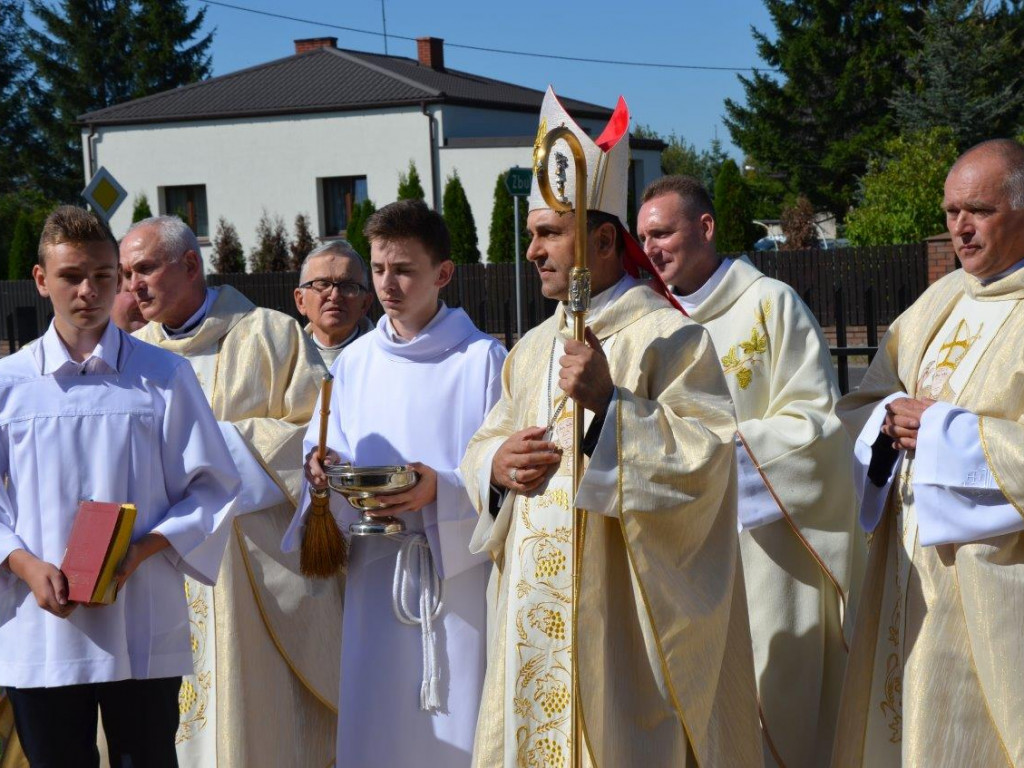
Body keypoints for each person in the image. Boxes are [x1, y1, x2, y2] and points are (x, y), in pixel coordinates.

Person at [460, 88, 763, 768]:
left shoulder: (666, 337)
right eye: (532, 234)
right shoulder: (532, 348)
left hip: (621, 620)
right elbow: (484, 445)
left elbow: (709, 459)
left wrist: (610, 407)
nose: (533, 251)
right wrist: (495, 466)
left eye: (550, 234)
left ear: (602, 239)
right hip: (530, 616)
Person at [637, 175, 864, 768]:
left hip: (760, 546)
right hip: (677, 552)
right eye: (644, 237)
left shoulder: (770, 304)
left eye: (662, 232)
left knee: (764, 708)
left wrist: (712, 460)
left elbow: (819, 424)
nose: (652, 249)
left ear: (705, 228)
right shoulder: (646, 322)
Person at [0, 206, 240, 766]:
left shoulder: (163, 376)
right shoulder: (10, 386)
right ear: (41, 280)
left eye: (105, 275)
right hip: (43, 623)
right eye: (71, 276)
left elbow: (212, 486)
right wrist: (23, 563)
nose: (90, 290)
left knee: (147, 758)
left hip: (140, 615)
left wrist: (140, 550)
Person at [285, 198, 507, 767]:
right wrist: (321, 466)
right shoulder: (356, 362)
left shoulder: (483, 360)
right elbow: (324, 441)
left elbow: (505, 475)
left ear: (444, 274)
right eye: (380, 269)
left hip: (452, 578)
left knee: (454, 718)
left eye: (404, 269)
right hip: (374, 570)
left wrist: (445, 489)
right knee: (377, 722)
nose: (388, 284)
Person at [121, 217, 341, 768]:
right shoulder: (129, 354)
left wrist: (206, 452)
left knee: (252, 725)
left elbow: (316, 434)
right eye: (126, 273)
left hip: (251, 577)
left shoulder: (269, 333)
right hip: (157, 569)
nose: (133, 286)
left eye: (145, 268)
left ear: (190, 265)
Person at [832, 138, 1024, 767]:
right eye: (949, 213)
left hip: (990, 587)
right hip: (907, 579)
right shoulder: (938, 302)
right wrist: (887, 424)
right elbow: (864, 402)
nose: (959, 230)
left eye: (979, 211)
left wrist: (944, 434)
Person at [293, 240, 374, 367]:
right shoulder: (285, 363)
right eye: (323, 284)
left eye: (348, 286)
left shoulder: (387, 359)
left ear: (365, 303)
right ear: (300, 301)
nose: (335, 296)